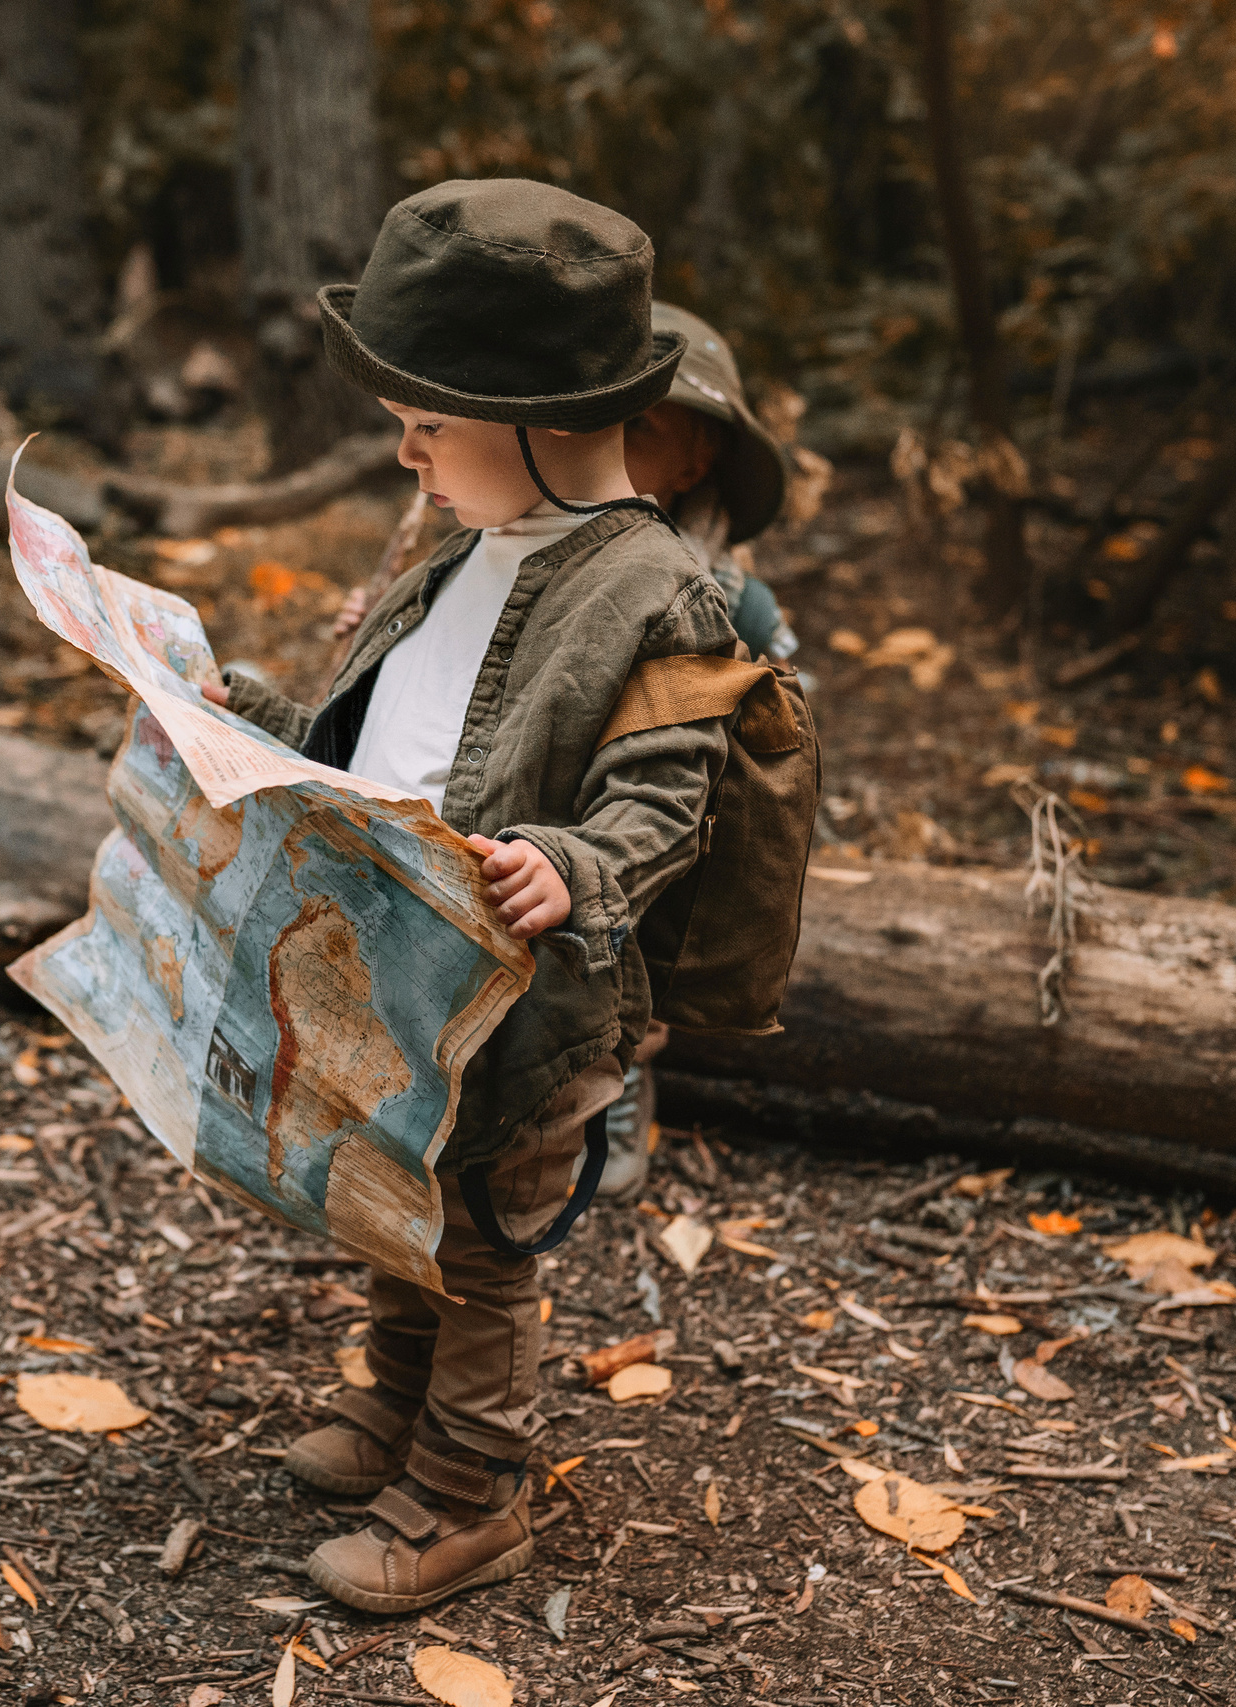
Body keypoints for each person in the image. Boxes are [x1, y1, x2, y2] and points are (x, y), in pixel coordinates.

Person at [200, 179, 736, 1613]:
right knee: (400, 1207)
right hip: (401, 962)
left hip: (525, 1008)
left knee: (483, 1246)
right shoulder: (460, 547)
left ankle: (466, 1487)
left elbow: (668, 792)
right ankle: (397, 1410)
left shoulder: (659, 593)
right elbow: (390, 738)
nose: (406, 448)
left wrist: (574, 862)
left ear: (532, 420)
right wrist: (238, 711)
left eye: (430, 422)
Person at [596, 300, 796, 1197]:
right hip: (542, 797)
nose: (610, 445)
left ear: (696, 458)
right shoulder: (531, 548)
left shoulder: (724, 589)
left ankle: (623, 1067)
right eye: (595, 420)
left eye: (639, 427)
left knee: (640, 897)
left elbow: (785, 721)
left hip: (668, 823)